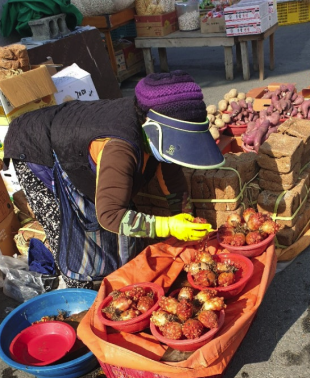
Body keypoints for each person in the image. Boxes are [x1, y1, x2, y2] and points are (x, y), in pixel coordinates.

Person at [3, 70, 225, 289]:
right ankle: (76, 289)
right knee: (68, 229)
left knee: (110, 218)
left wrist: (183, 215)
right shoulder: (121, 147)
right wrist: (167, 226)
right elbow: (109, 215)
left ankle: (116, 274)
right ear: (154, 128)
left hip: (75, 140)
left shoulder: (154, 132)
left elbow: (172, 175)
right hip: (34, 147)